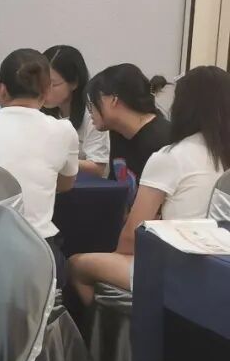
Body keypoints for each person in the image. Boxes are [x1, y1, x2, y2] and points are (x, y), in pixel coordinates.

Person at [69, 66, 230, 304]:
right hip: (219, 270)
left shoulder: (173, 155)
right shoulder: (219, 153)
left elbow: (132, 236)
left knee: (76, 264)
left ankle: (111, 328)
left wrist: (116, 258)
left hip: (175, 268)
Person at [0, 49, 78, 280]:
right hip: (37, 252)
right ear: (46, 91)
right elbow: (66, 184)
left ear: (1, 89)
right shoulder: (64, 130)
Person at [86, 64, 171, 191]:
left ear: (113, 100)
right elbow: (115, 189)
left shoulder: (161, 141)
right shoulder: (117, 131)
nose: (90, 112)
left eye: (92, 104)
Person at [42, 45, 110, 177]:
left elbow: (98, 168)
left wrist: (56, 160)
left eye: (53, 84)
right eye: (40, 83)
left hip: (87, 186)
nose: (44, 91)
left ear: (74, 83)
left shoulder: (92, 114)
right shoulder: (38, 111)